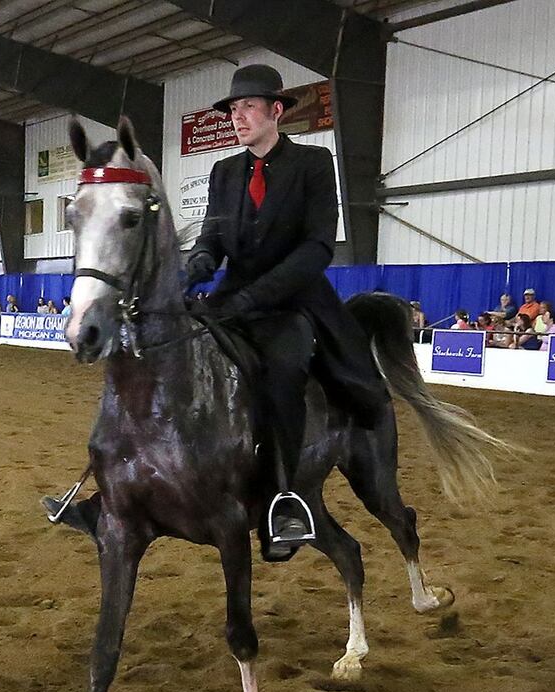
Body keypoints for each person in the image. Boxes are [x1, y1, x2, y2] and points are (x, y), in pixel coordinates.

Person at [56, 64, 390, 552]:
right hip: (231, 299)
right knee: (153, 362)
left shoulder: (314, 165)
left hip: (292, 305)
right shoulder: (224, 171)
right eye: (234, 109)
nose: (239, 117)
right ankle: (108, 490)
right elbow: (213, 237)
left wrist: (257, 294)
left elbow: (317, 248)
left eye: (249, 107)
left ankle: (284, 501)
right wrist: (195, 270)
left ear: (276, 111)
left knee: (281, 372)